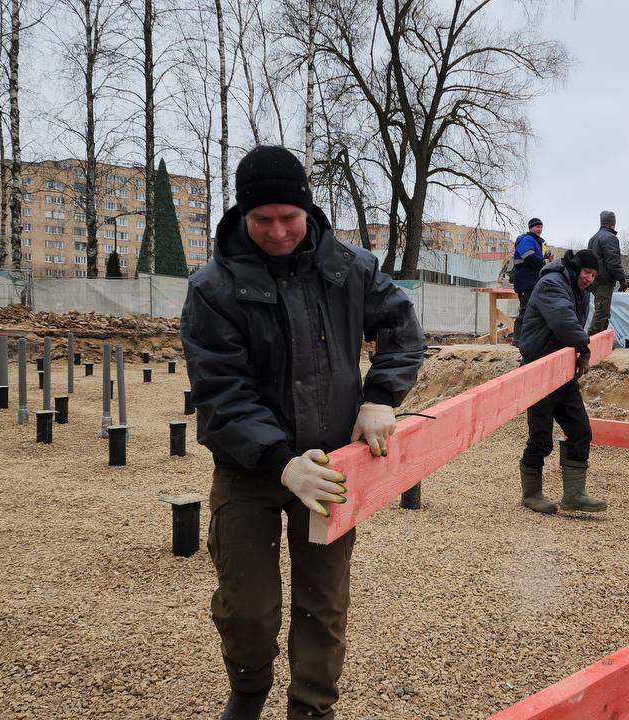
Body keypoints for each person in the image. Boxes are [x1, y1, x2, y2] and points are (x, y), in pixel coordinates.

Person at [181, 145, 425, 720]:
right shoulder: (214, 289)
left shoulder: (350, 268)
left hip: (335, 466)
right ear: (242, 216)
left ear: (307, 210)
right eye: (261, 220)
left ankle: (312, 708)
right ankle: (248, 690)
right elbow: (221, 390)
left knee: (323, 602)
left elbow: (402, 329)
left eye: (288, 218)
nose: (277, 231)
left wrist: (380, 397)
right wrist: (278, 458)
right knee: (247, 606)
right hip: (251, 470)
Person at [513, 249, 608, 515]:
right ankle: (531, 494)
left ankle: (574, 495)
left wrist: (578, 350)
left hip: (562, 372)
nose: (590, 279)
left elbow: (572, 326)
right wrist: (584, 348)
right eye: (587, 273)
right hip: (539, 370)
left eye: (593, 275)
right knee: (541, 439)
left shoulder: (579, 290)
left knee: (581, 431)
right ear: (577, 268)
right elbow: (564, 321)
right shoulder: (551, 284)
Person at [586, 210, 629, 334]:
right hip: (604, 281)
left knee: (602, 310)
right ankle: (591, 342)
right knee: (602, 313)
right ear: (613, 223)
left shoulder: (593, 238)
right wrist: (622, 279)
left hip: (594, 280)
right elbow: (613, 261)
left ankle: (598, 342)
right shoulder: (610, 238)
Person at [510, 217, 548, 341]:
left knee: (531, 312)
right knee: (525, 311)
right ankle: (518, 340)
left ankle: (527, 339)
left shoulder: (536, 242)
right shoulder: (527, 240)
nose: (540, 229)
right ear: (531, 228)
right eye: (537, 227)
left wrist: (545, 257)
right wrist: (545, 262)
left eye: (541, 227)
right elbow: (529, 258)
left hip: (532, 282)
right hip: (527, 282)